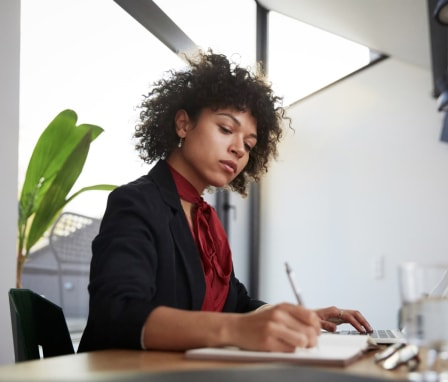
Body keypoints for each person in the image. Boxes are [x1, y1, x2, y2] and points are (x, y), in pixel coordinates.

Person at [78, 50, 372, 353]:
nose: (239, 150)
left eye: (248, 144)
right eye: (226, 129)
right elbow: (117, 313)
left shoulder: (206, 221)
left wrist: (293, 319)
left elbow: (236, 303)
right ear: (183, 124)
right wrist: (235, 329)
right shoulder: (135, 202)